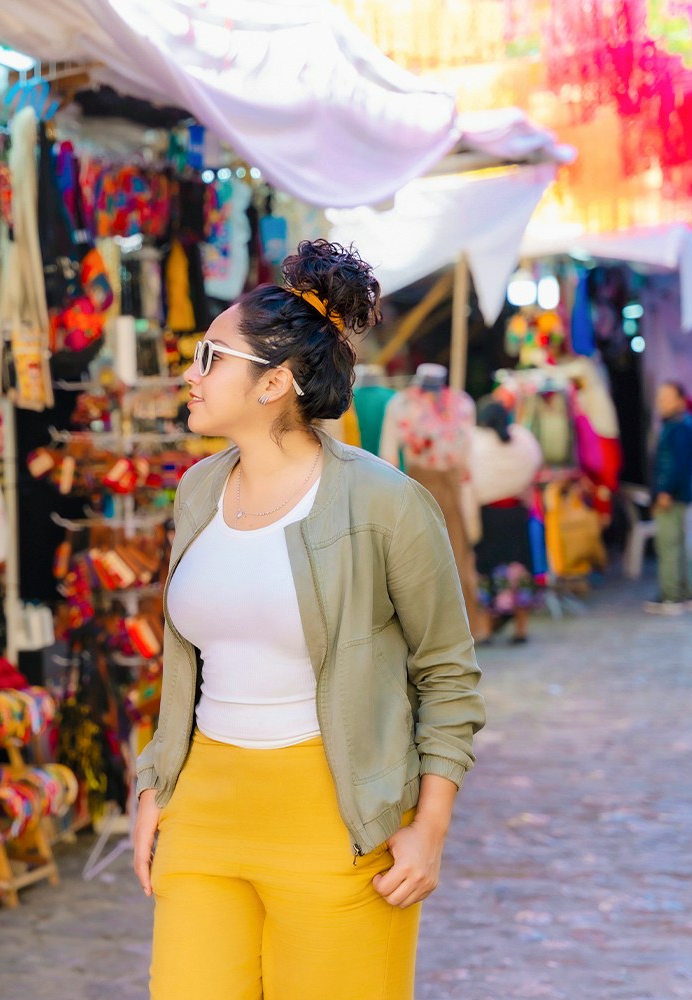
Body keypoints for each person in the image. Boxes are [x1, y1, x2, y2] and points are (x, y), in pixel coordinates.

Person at [131, 239, 485, 1000]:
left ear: (276, 382)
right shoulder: (197, 491)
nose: (189, 375)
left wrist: (430, 826)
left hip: (340, 825)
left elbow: (448, 675)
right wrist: (156, 785)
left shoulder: (385, 505)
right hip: (203, 815)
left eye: (210, 357)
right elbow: (189, 662)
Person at [469, 397, 546, 644]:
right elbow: (535, 465)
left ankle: (488, 629)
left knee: (488, 568)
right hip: (516, 515)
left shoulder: (475, 443)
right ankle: (521, 629)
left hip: (489, 516)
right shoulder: (523, 440)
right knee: (518, 566)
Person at [647, 381, 692, 615]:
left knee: (668, 546)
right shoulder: (679, 425)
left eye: (666, 398)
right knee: (677, 545)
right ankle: (685, 593)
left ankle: (671, 596)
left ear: (680, 401)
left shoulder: (678, 427)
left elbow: (676, 464)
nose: (661, 403)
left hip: (672, 495)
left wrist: (665, 491)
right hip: (677, 493)